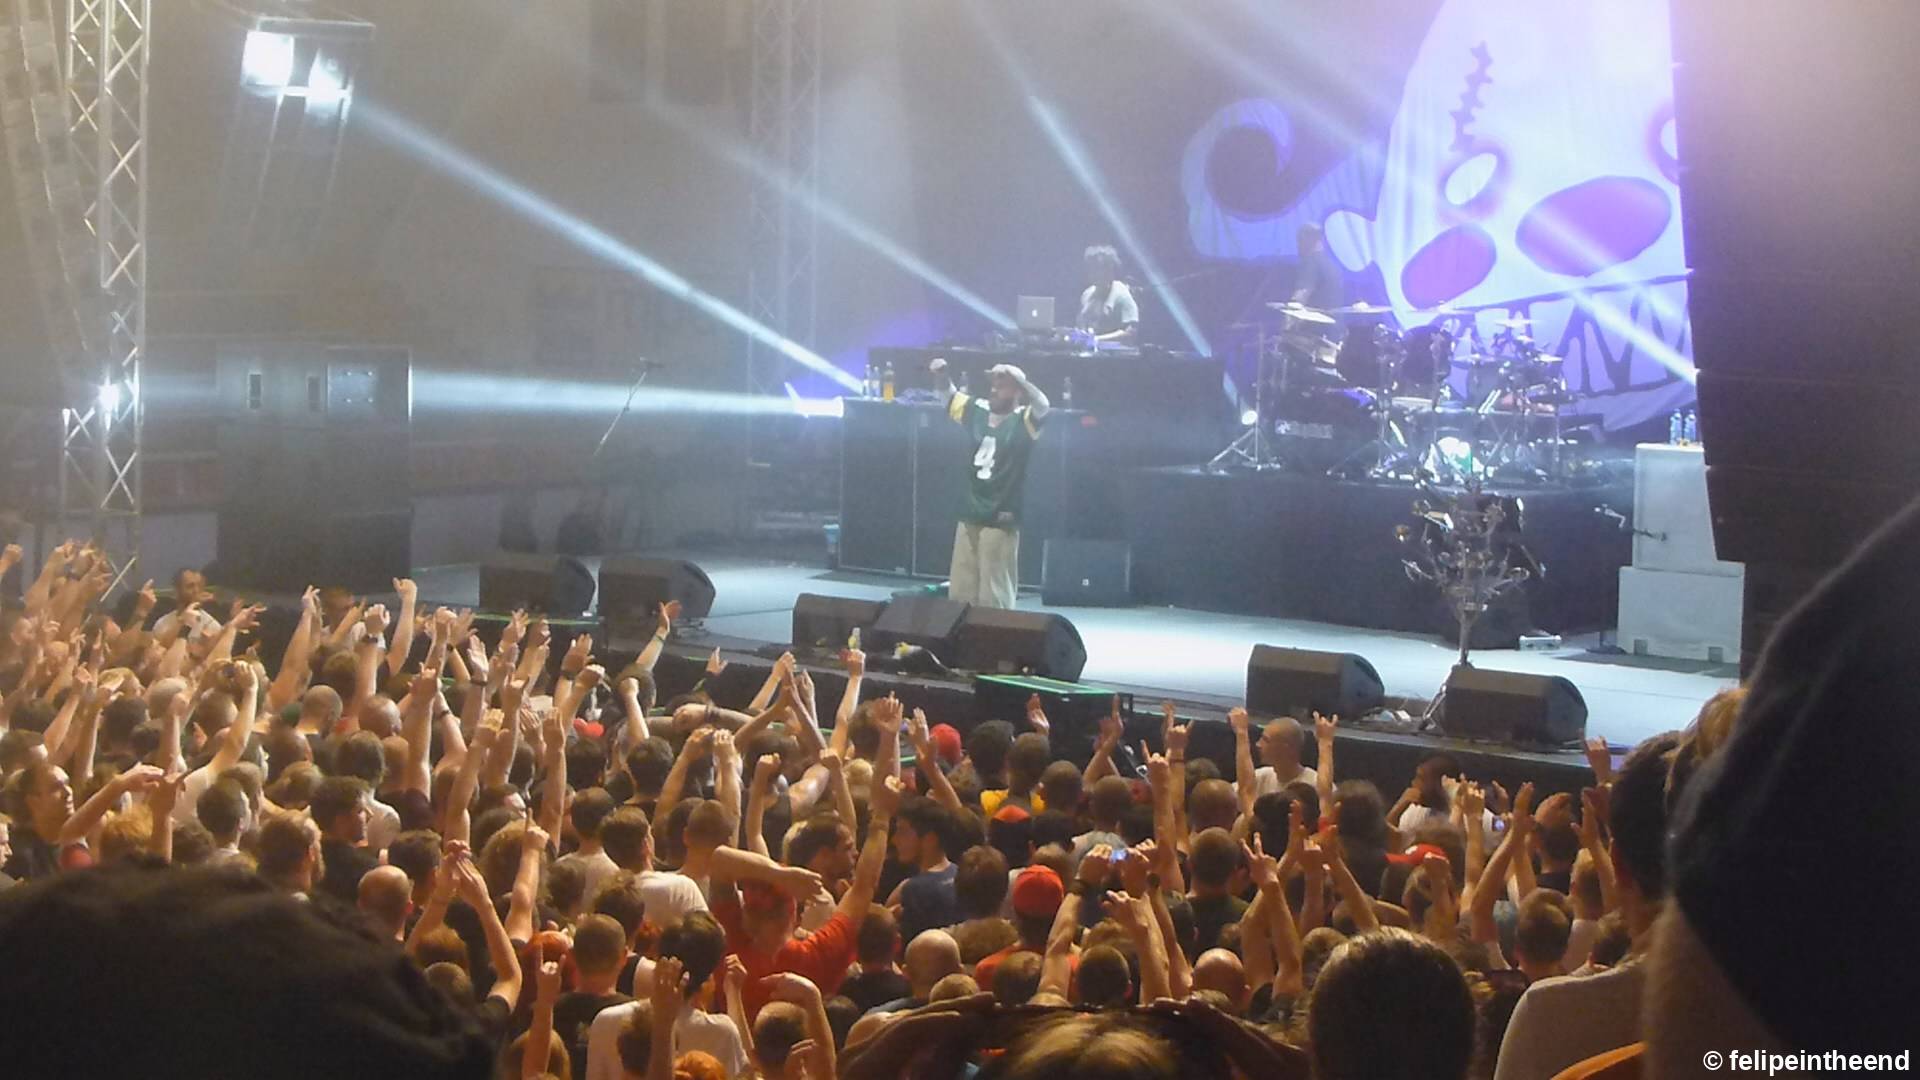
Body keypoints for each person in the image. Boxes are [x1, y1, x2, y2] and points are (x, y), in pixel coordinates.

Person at [928, 357, 1051, 610]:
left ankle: (997, 631)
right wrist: (941, 375)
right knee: (961, 589)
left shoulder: (1024, 419)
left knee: (994, 592)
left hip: (1001, 514)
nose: (994, 389)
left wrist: (1022, 381)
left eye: (1002, 385)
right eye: (993, 384)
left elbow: (1043, 405)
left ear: (1017, 391)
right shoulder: (978, 410)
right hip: (970, 510)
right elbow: (948, 397)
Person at [1077, 244, 1140, 346]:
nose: (1091, 273)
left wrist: (1096, 340)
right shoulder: (1086, 294)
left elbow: (1130, 332)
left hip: (1115, 355)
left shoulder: (1122, 295)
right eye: (1090, 268)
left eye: (1097, 268)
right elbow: (1081, 326)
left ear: (1110, 270)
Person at [1289, 224, 1344, 311]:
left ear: (1308, 240)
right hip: (1334, 317)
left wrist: (1293, 305)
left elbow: (1302, 294)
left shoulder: (1310, 262)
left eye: (1300, 241)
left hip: (1314, 318)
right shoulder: (1333, 263)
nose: (1298, 246)